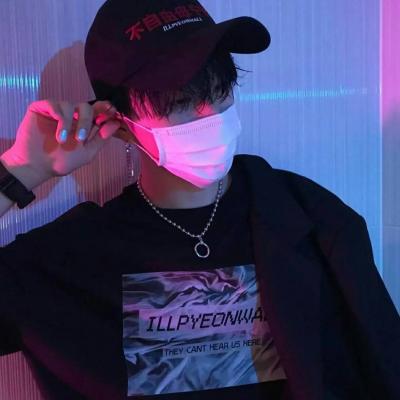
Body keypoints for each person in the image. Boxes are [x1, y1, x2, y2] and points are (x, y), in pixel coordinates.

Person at [0, 1, 399, 400]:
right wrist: (21, 170)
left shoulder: (306, 218)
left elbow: (383, 362)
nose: (212, 116)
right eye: (180, 104)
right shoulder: (74, 258)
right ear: (120, 123)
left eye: (220, 91)